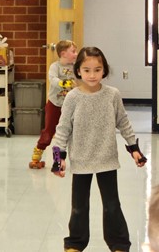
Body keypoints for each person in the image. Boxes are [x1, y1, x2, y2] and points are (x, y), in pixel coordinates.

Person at [51, 46, 147, 252]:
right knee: (79, 207)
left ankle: (119, 244)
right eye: (87, 70)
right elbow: (62, 129)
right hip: (80, 159)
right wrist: (58, 157)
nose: (92, 75)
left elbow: (123, 122)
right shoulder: (72, 98)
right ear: (78, 71)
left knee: (112, 205)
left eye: (97, 69)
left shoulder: (112, 95)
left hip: (106, 158)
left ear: (104, 70)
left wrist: (134, 149)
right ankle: (75, 244)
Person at [29, 40, 78, 169]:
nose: (76, 54)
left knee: (71, 133)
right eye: (73, 51)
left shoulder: (76, 67)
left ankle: (70, 159)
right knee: (49, 131)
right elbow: (54, 80)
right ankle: (37, 157)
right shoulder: (54, 67)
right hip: (55, 104)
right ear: (63, 53)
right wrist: (67, 84)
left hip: (71, 105)